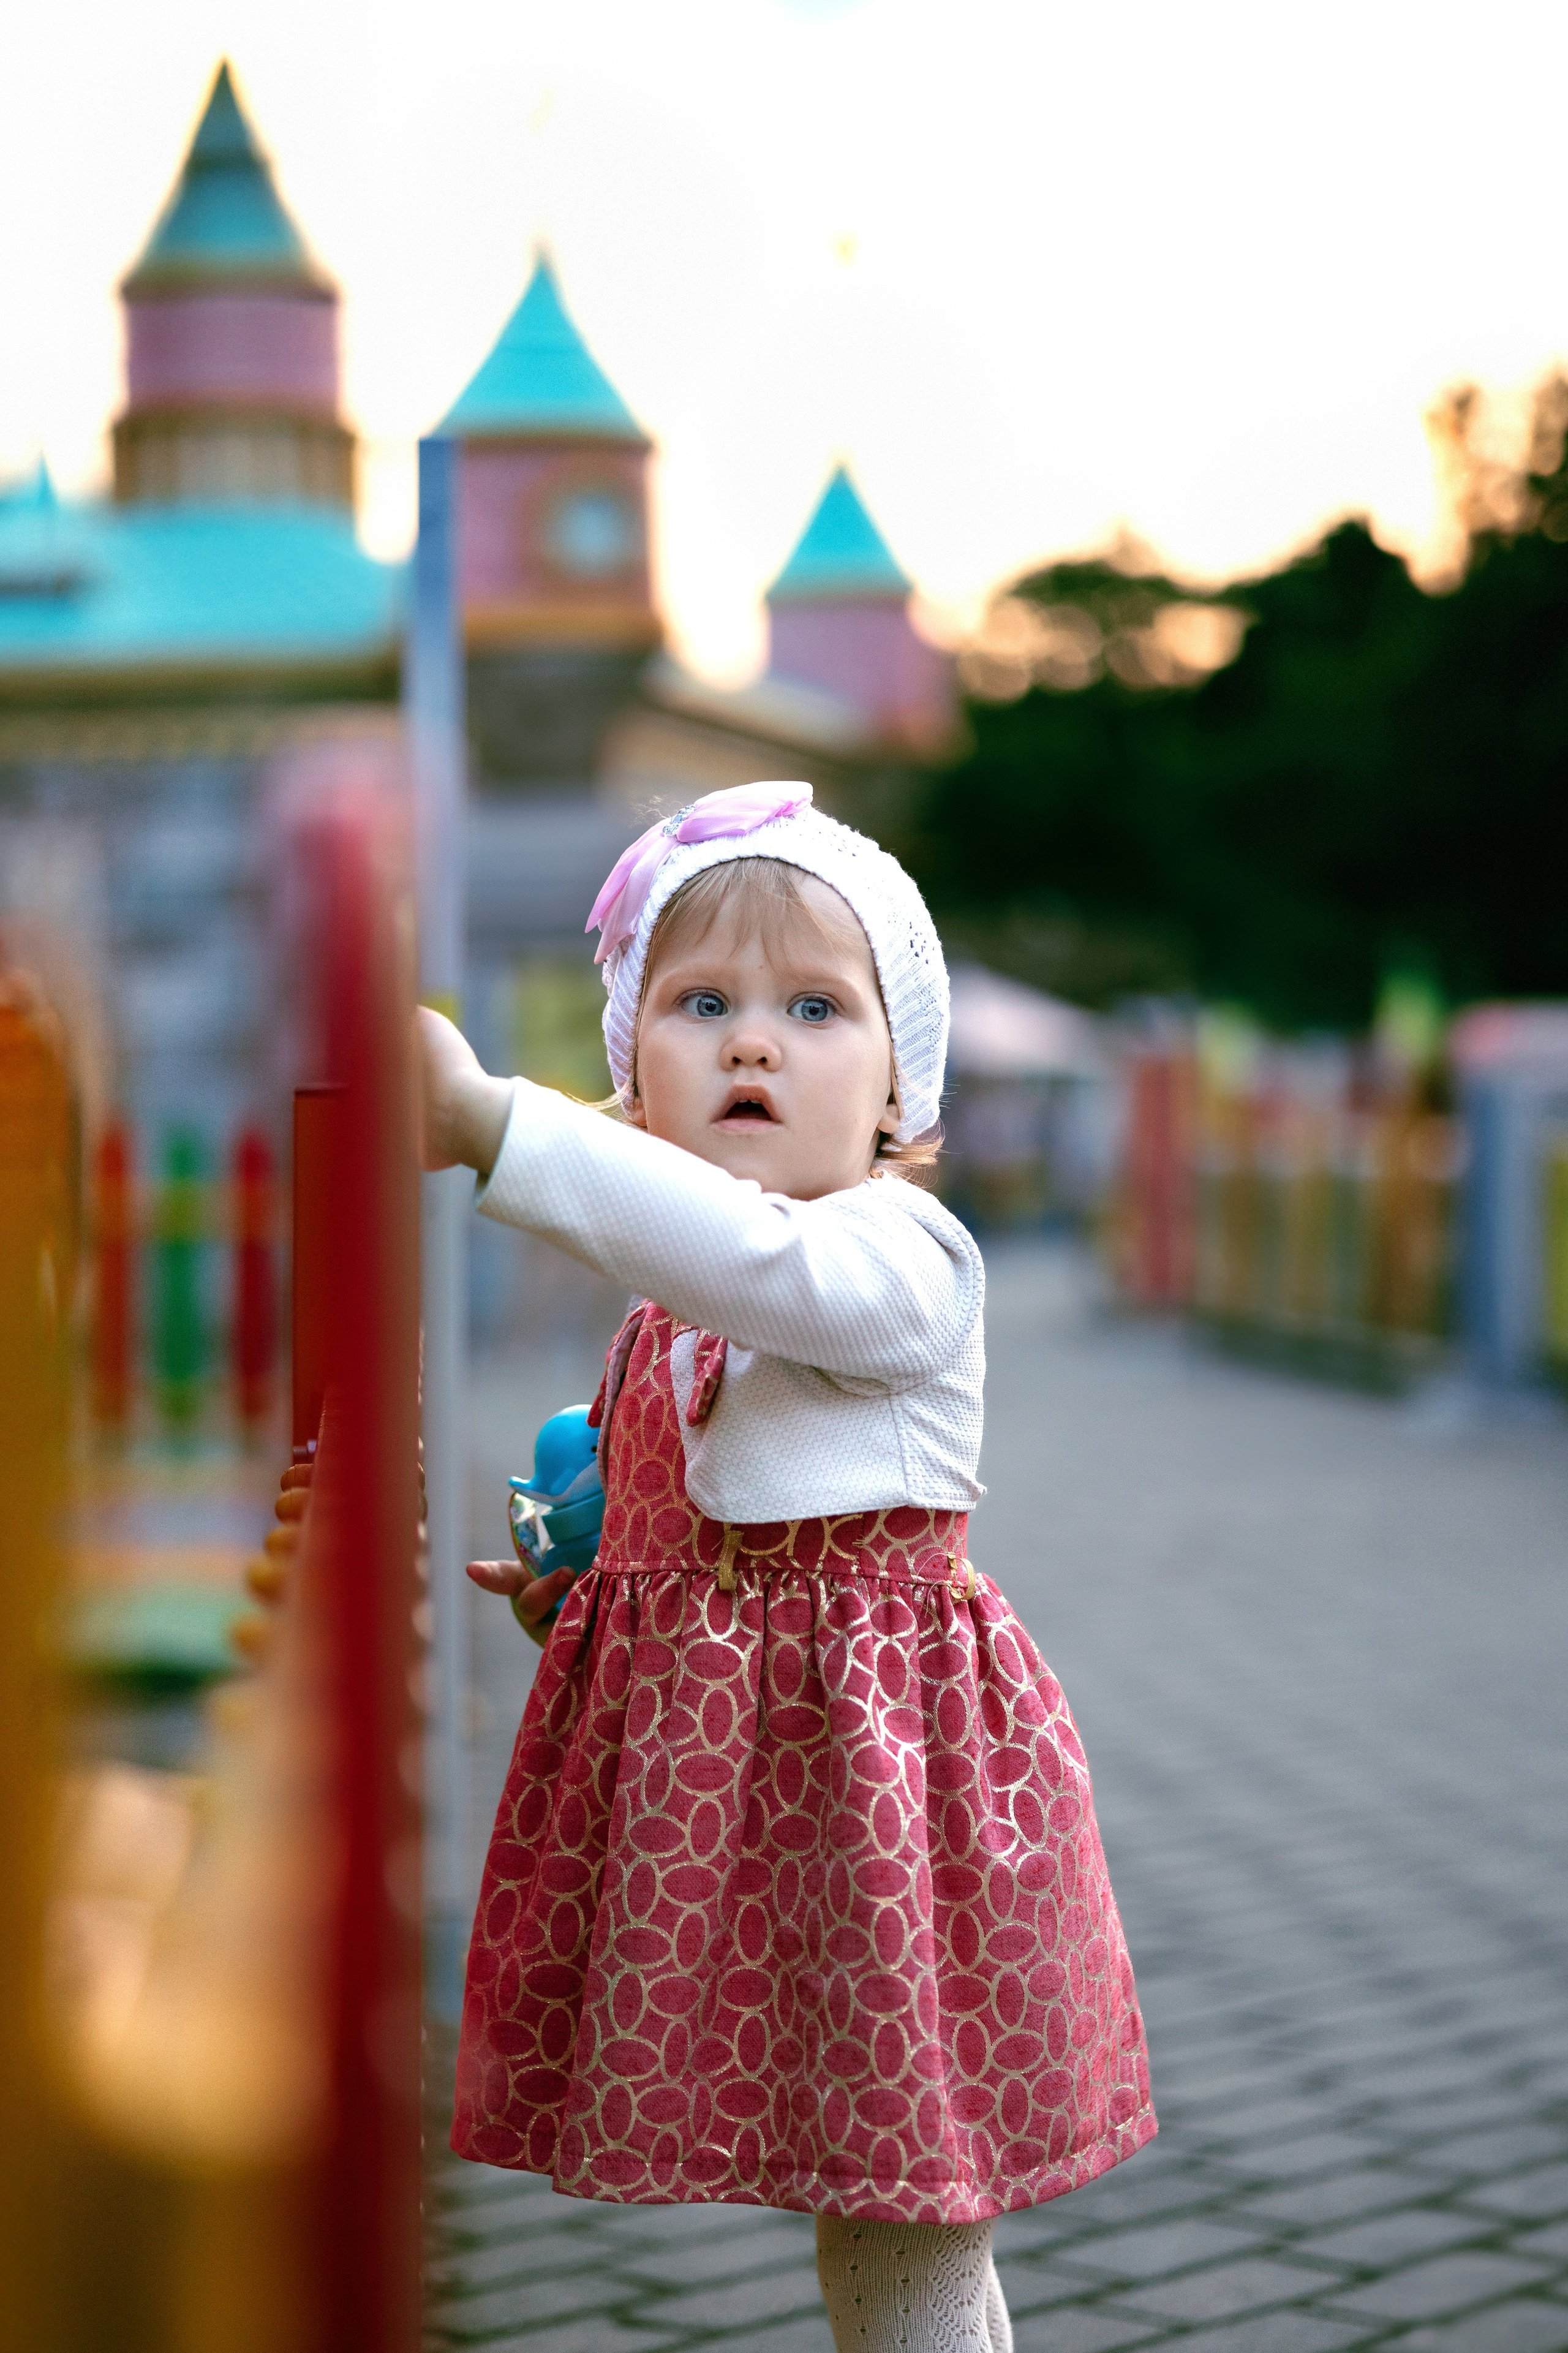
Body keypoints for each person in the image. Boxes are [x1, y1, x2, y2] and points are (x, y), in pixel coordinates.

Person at [418, 782, 1155, 2353]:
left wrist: (497, 1125)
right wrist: (590, 1594)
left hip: (886, 1802)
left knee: (907, 2214)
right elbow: (694, 1470)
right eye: (700, 1006)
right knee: (873, 2211)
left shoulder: (899, 1256)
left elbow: (762, 1264)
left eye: (816, 1008)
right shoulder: (668, 1317)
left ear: (900, 1091)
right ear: (635, 1080)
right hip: (759, 1807)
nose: (754, 1042)